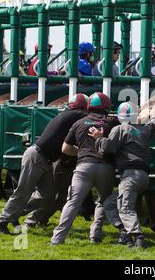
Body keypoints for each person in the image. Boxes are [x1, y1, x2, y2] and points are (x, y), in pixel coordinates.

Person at [0, 93, 88, 235]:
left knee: (47, 195)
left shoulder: (68, 114)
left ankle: (13, 214)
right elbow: (92, 118)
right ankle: (1, 222)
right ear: (82, 107)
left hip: (44, 159)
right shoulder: (75, 115)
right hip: (37, 156)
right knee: (23, 191)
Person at [51, 92, 125, 245]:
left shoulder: (78, 123)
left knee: (72, 202)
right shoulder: (112, 122)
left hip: (84, 167)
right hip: (106, 167)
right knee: (103, 201)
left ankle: (57, 239)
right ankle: (95, 234)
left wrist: (82, 153)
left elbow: (65, 148)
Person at [88, 102, 155, 248]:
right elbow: (154, 124)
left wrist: (98, 138)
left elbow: (108, 148)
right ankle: (124, 232)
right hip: (143, 177)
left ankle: (138, 237)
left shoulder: (120, 129)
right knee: (109, 204)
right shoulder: (144, 131)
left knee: (125, 208)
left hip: (130, 176)